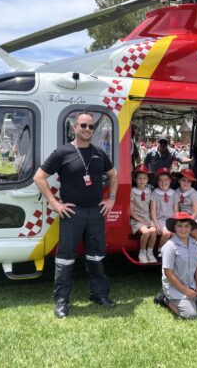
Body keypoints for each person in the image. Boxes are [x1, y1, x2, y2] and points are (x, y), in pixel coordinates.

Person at [33, 111, 118, 319]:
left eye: (91, 127)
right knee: (65, 259)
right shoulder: (62, 152)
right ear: (74, 128)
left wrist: (112, 198)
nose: (87, 129)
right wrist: (54, 203)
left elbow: (113, 174)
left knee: (96, 255)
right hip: (72, 213)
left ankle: (99, 294)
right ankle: (61, 300)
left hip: (96, 212)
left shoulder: (98, 152)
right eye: (83, 126)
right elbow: (39, 177)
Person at [160, 212, 197, 319]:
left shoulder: (194, 243)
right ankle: (166, 299)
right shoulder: (170, 246)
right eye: (179, 226)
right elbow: (168, 273)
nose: (183, 229)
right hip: (176, 287)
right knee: (191, 315)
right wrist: (186, 291)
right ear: (174, 228)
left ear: (191, 228)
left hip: (192, 284)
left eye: (186, 226)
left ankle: (189, 300)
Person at [130, 164, 158, 264]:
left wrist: (151, 220)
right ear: (135, 179)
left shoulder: (149, 191)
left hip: (147, 218)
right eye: (139, 178)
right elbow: (131, 212)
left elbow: (151, 208)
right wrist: (141, 221)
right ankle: (141, 252)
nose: (142, 180)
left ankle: (149, 252)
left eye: (144, 178)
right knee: (146, 232)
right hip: (136, 220)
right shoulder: (132, 191)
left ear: (147, 179)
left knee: (154, 231)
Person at [172, 168, 197, 241]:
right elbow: (176, 210)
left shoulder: (193, 193)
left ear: (191, 182)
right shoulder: (176, 192)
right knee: (179, 228)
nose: (186, 183)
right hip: (183, 217)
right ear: (179, 181)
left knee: (192, 229)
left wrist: (189, 221)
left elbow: (195, 212)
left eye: (189, 181)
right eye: (183, 180)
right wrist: (177, 219)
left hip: (195, 218)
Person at [150, 167, 175, 256]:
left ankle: (173, 250)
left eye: (166, 180)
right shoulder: (154, 193)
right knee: (167, 233)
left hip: (171, 219)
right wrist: (156, 224)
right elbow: (153, 211)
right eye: (160, 180)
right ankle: (160, 250)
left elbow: (176, 211)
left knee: (177, 232)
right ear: (157, 182)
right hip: (159, 220)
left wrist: (175, 223)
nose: (163, 182)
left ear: (170, 181)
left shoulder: (174, 193)